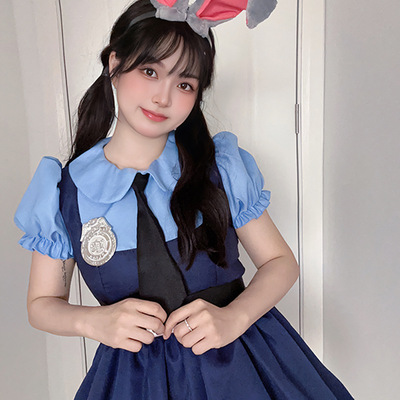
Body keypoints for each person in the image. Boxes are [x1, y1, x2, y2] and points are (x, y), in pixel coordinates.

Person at [14, 0, 355, 398]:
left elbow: (280, 263)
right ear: (114, 64)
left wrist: (233, 318)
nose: (163, 97)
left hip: (241, 366)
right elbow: (42, 303)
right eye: (150, 71)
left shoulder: (218, 167)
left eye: (184, 84)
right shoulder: (64, 192)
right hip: (133, 381)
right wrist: (94, 322)